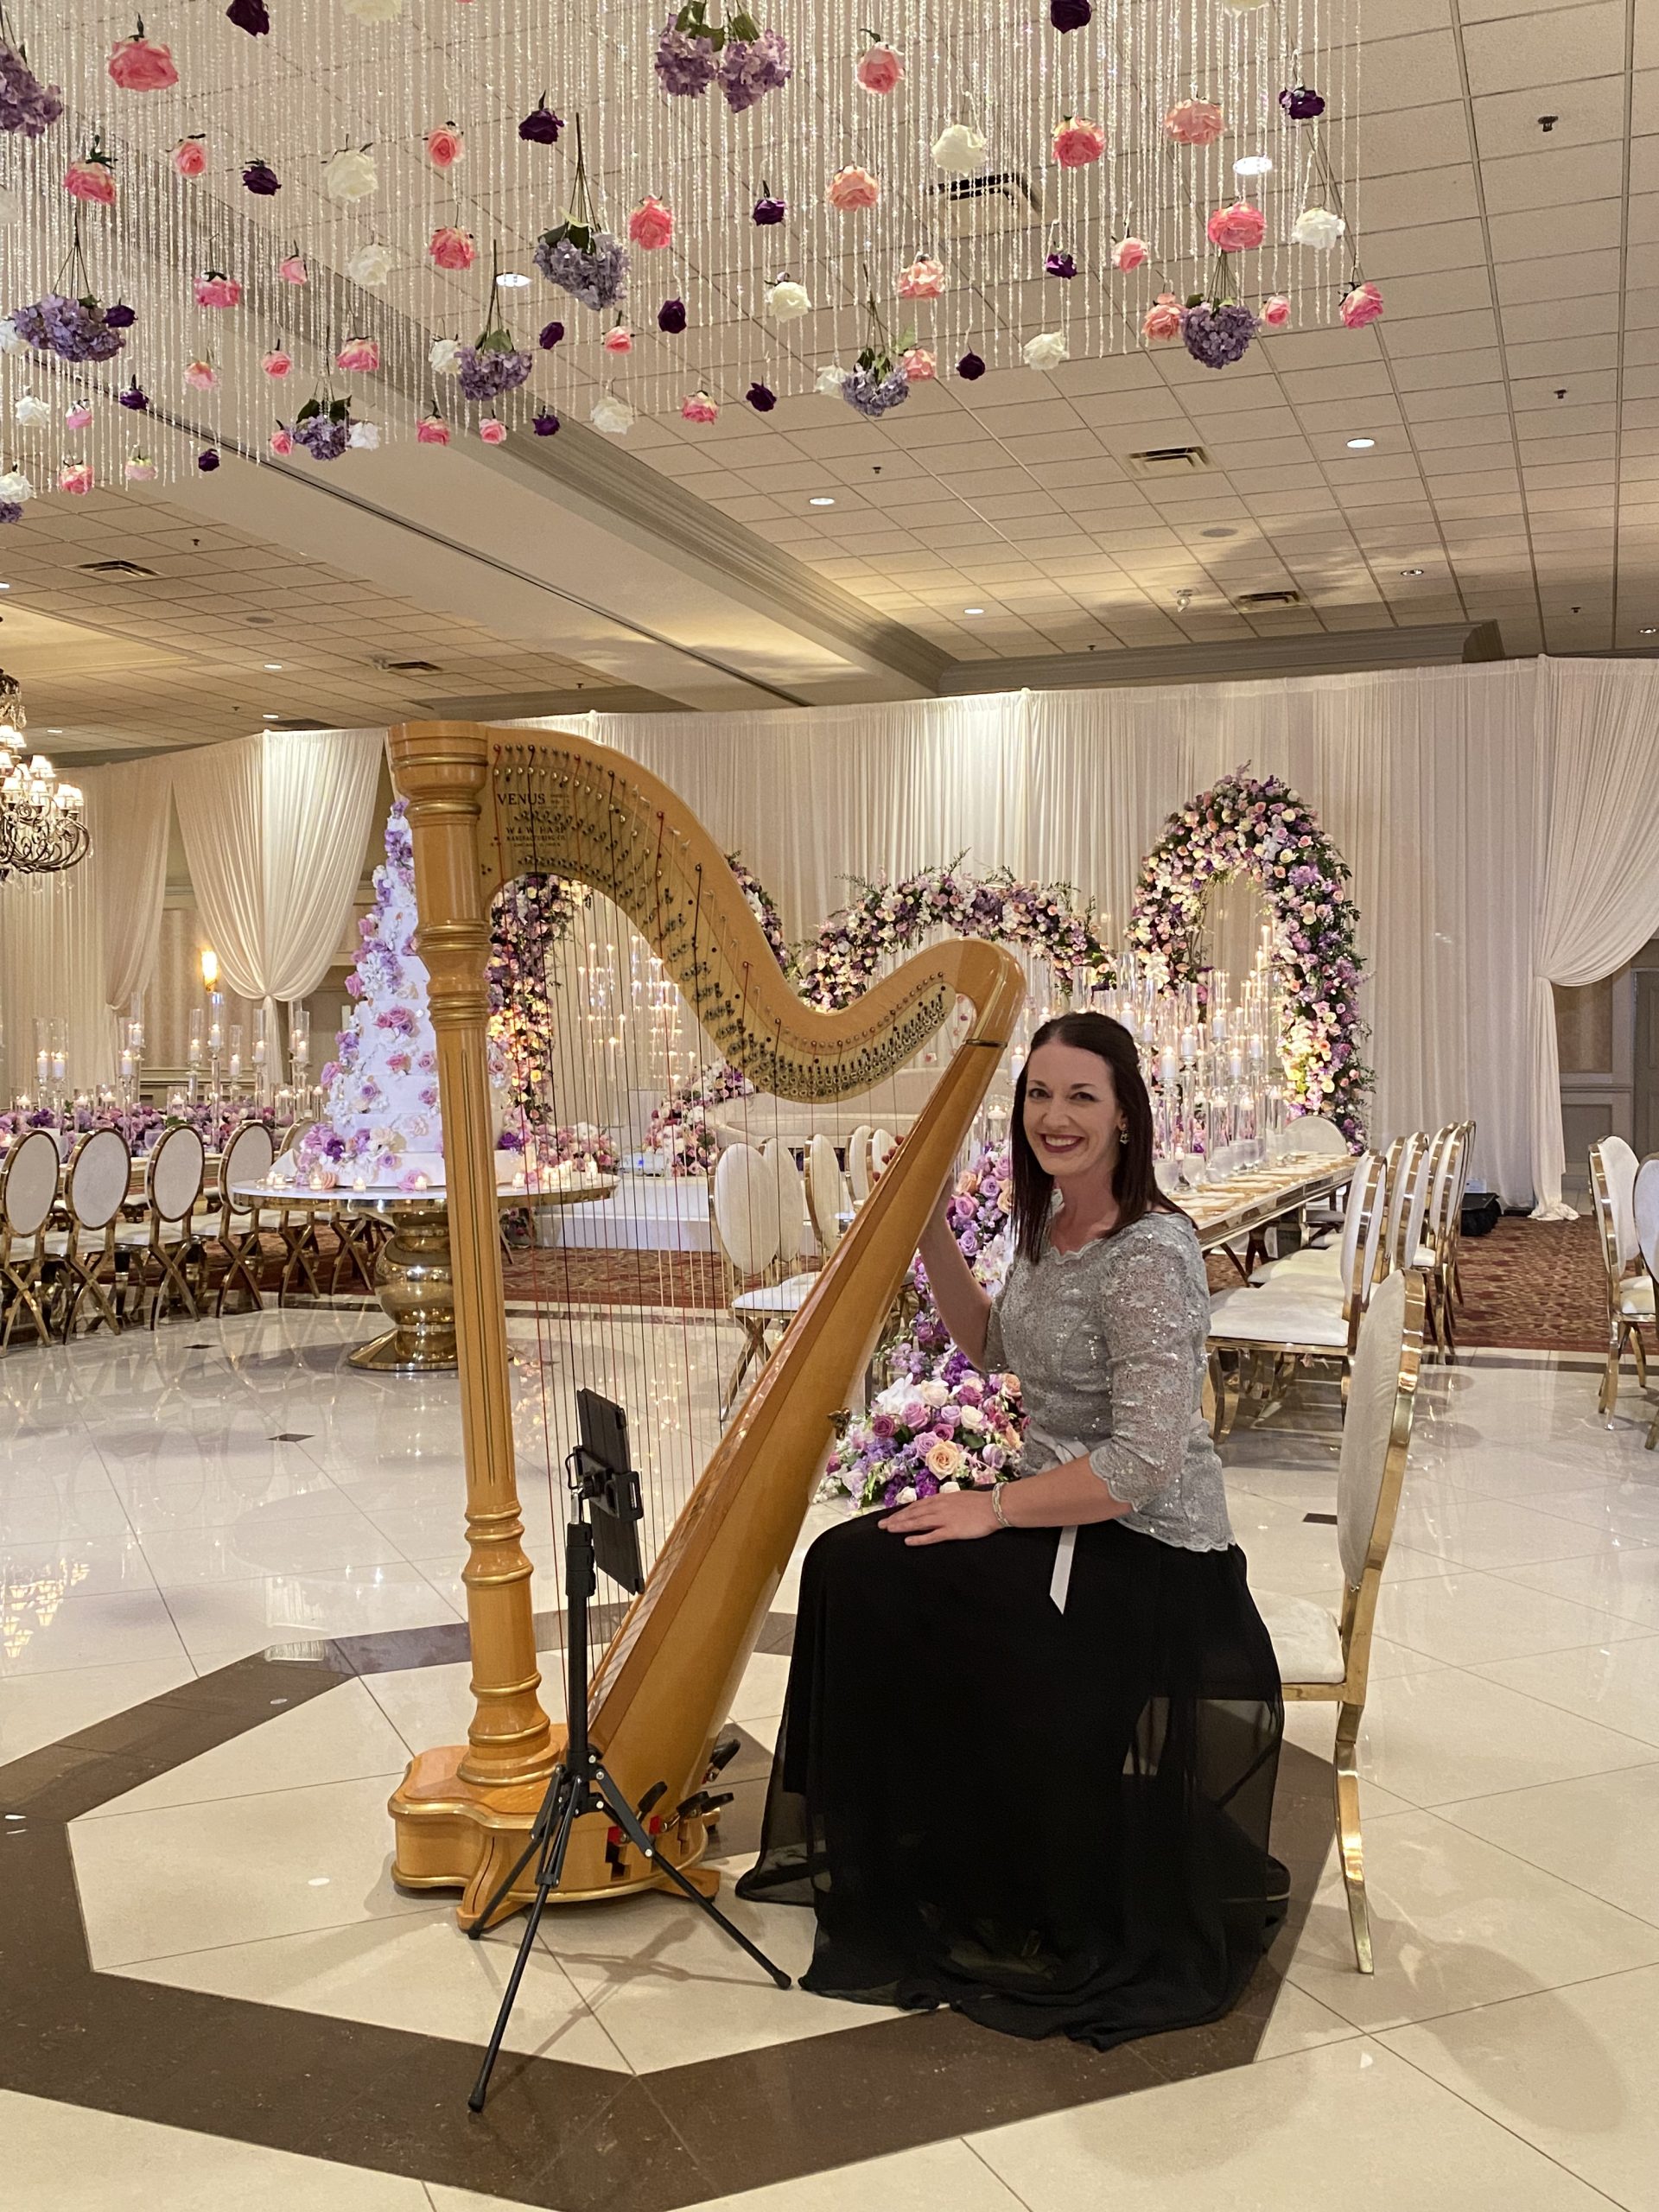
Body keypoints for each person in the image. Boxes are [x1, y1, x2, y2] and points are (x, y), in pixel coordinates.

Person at [736, 1011, 1285, 2048]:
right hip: (1057, 1512)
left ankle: (972, 1861)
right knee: (852, 1561)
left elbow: (1143, 1464)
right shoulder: (1046, 1226)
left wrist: (988, 1508)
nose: (1056, 1116)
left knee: (888, 1578)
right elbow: (992, 1345)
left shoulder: (1149, 1254)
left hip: (1150, 1555)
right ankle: (900, 1851)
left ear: (1127, 1115)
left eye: (1082, 1095)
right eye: (1040, 1093)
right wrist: (928, 1229)